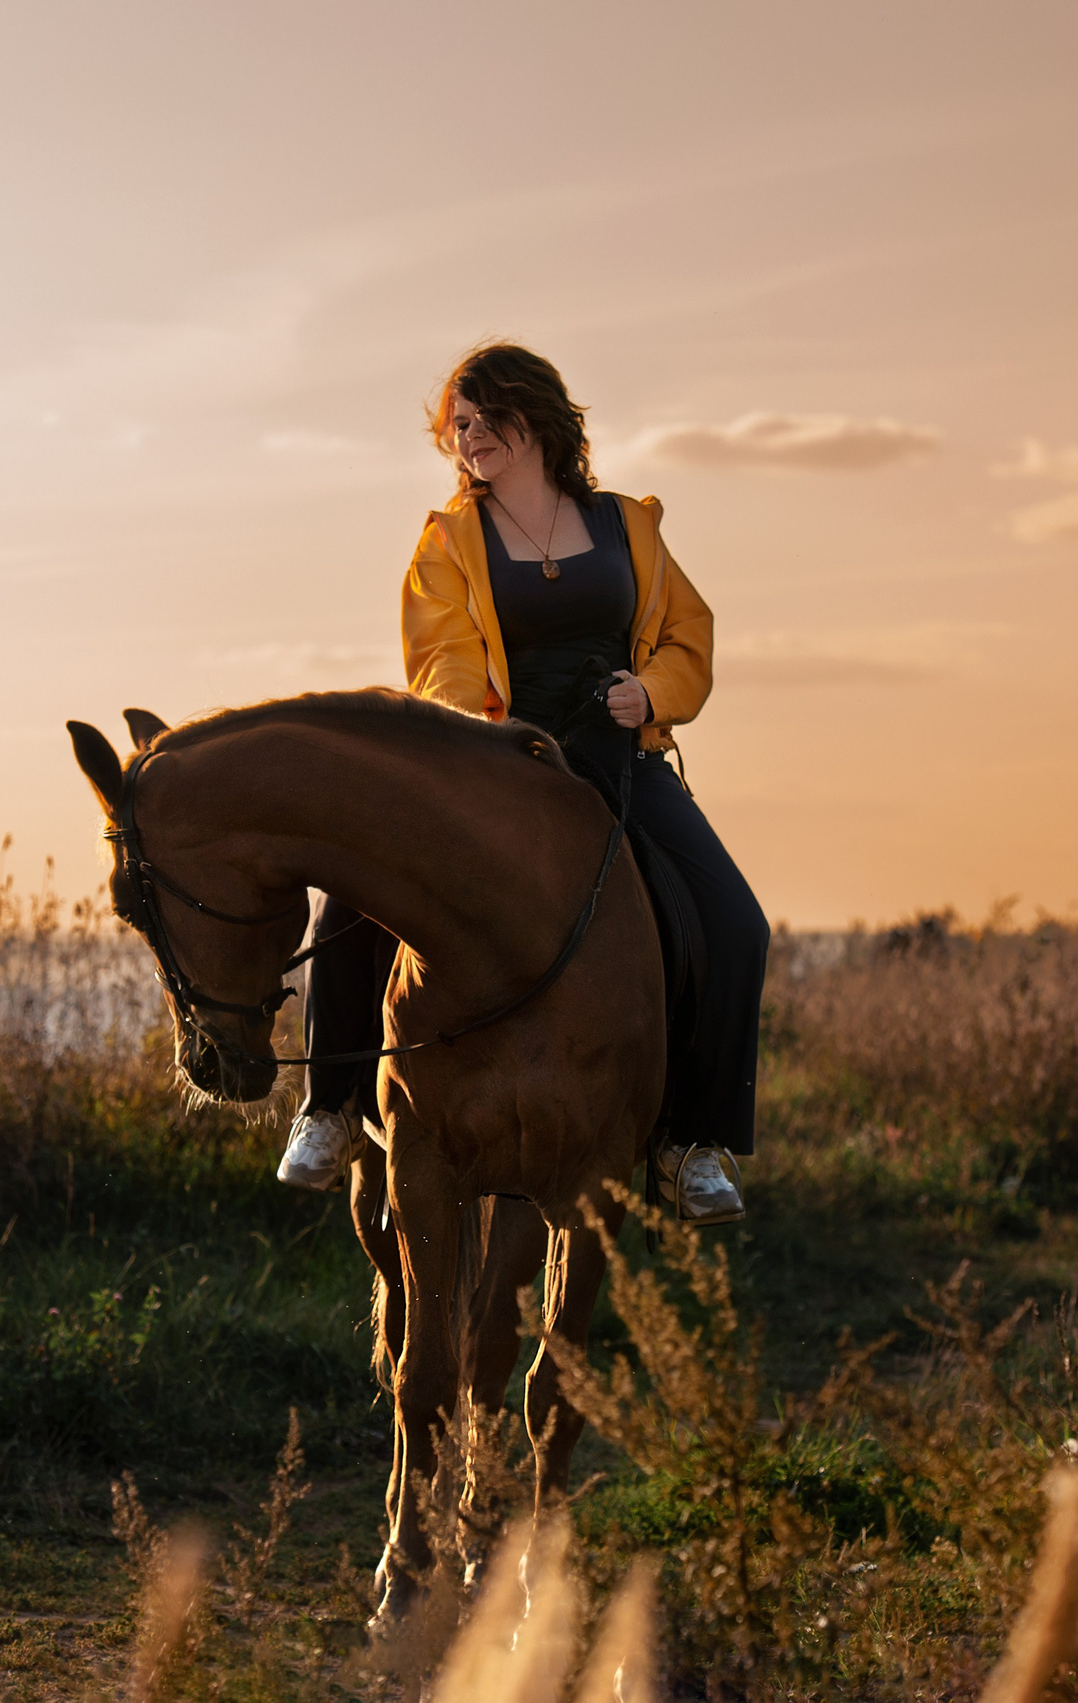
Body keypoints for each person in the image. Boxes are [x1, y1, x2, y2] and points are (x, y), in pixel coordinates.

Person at [274, 342, 768, 1225]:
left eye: (482, 419)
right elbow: (443, 663)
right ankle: (334, 1108)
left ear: (533, 416)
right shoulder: (447, 544)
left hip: (622, 760)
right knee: (352, 892)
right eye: (455, 427)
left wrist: (649, 692)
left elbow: (688, 635)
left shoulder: (629, 525)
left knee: (736, 923)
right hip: (498, 763)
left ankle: (691, 1146)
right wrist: (490, 741)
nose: (468, 439)